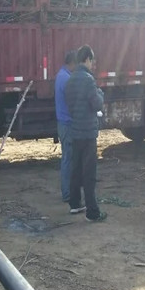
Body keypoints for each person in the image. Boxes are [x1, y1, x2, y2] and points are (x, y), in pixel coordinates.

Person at [64, 45, 107, 222]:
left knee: (76, 169)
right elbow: (96, 104)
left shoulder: (70, 80)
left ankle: (75, 204)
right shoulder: (89, 80)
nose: (92, 64)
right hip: (88, 132)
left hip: (75, 131)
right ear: (87, 59)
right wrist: (100, 94)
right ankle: (92, 212)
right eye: (92, 61)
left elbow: (69, 104)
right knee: (89, 173)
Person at [54, 50, 77, 202]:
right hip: (68, 124)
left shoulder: (60, 75)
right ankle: (68, 194)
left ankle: (67, 192)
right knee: (69, 159)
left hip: (62, 123)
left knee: (67, 158)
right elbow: (73, 103)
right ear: (73, 63)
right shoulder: (67, 79)